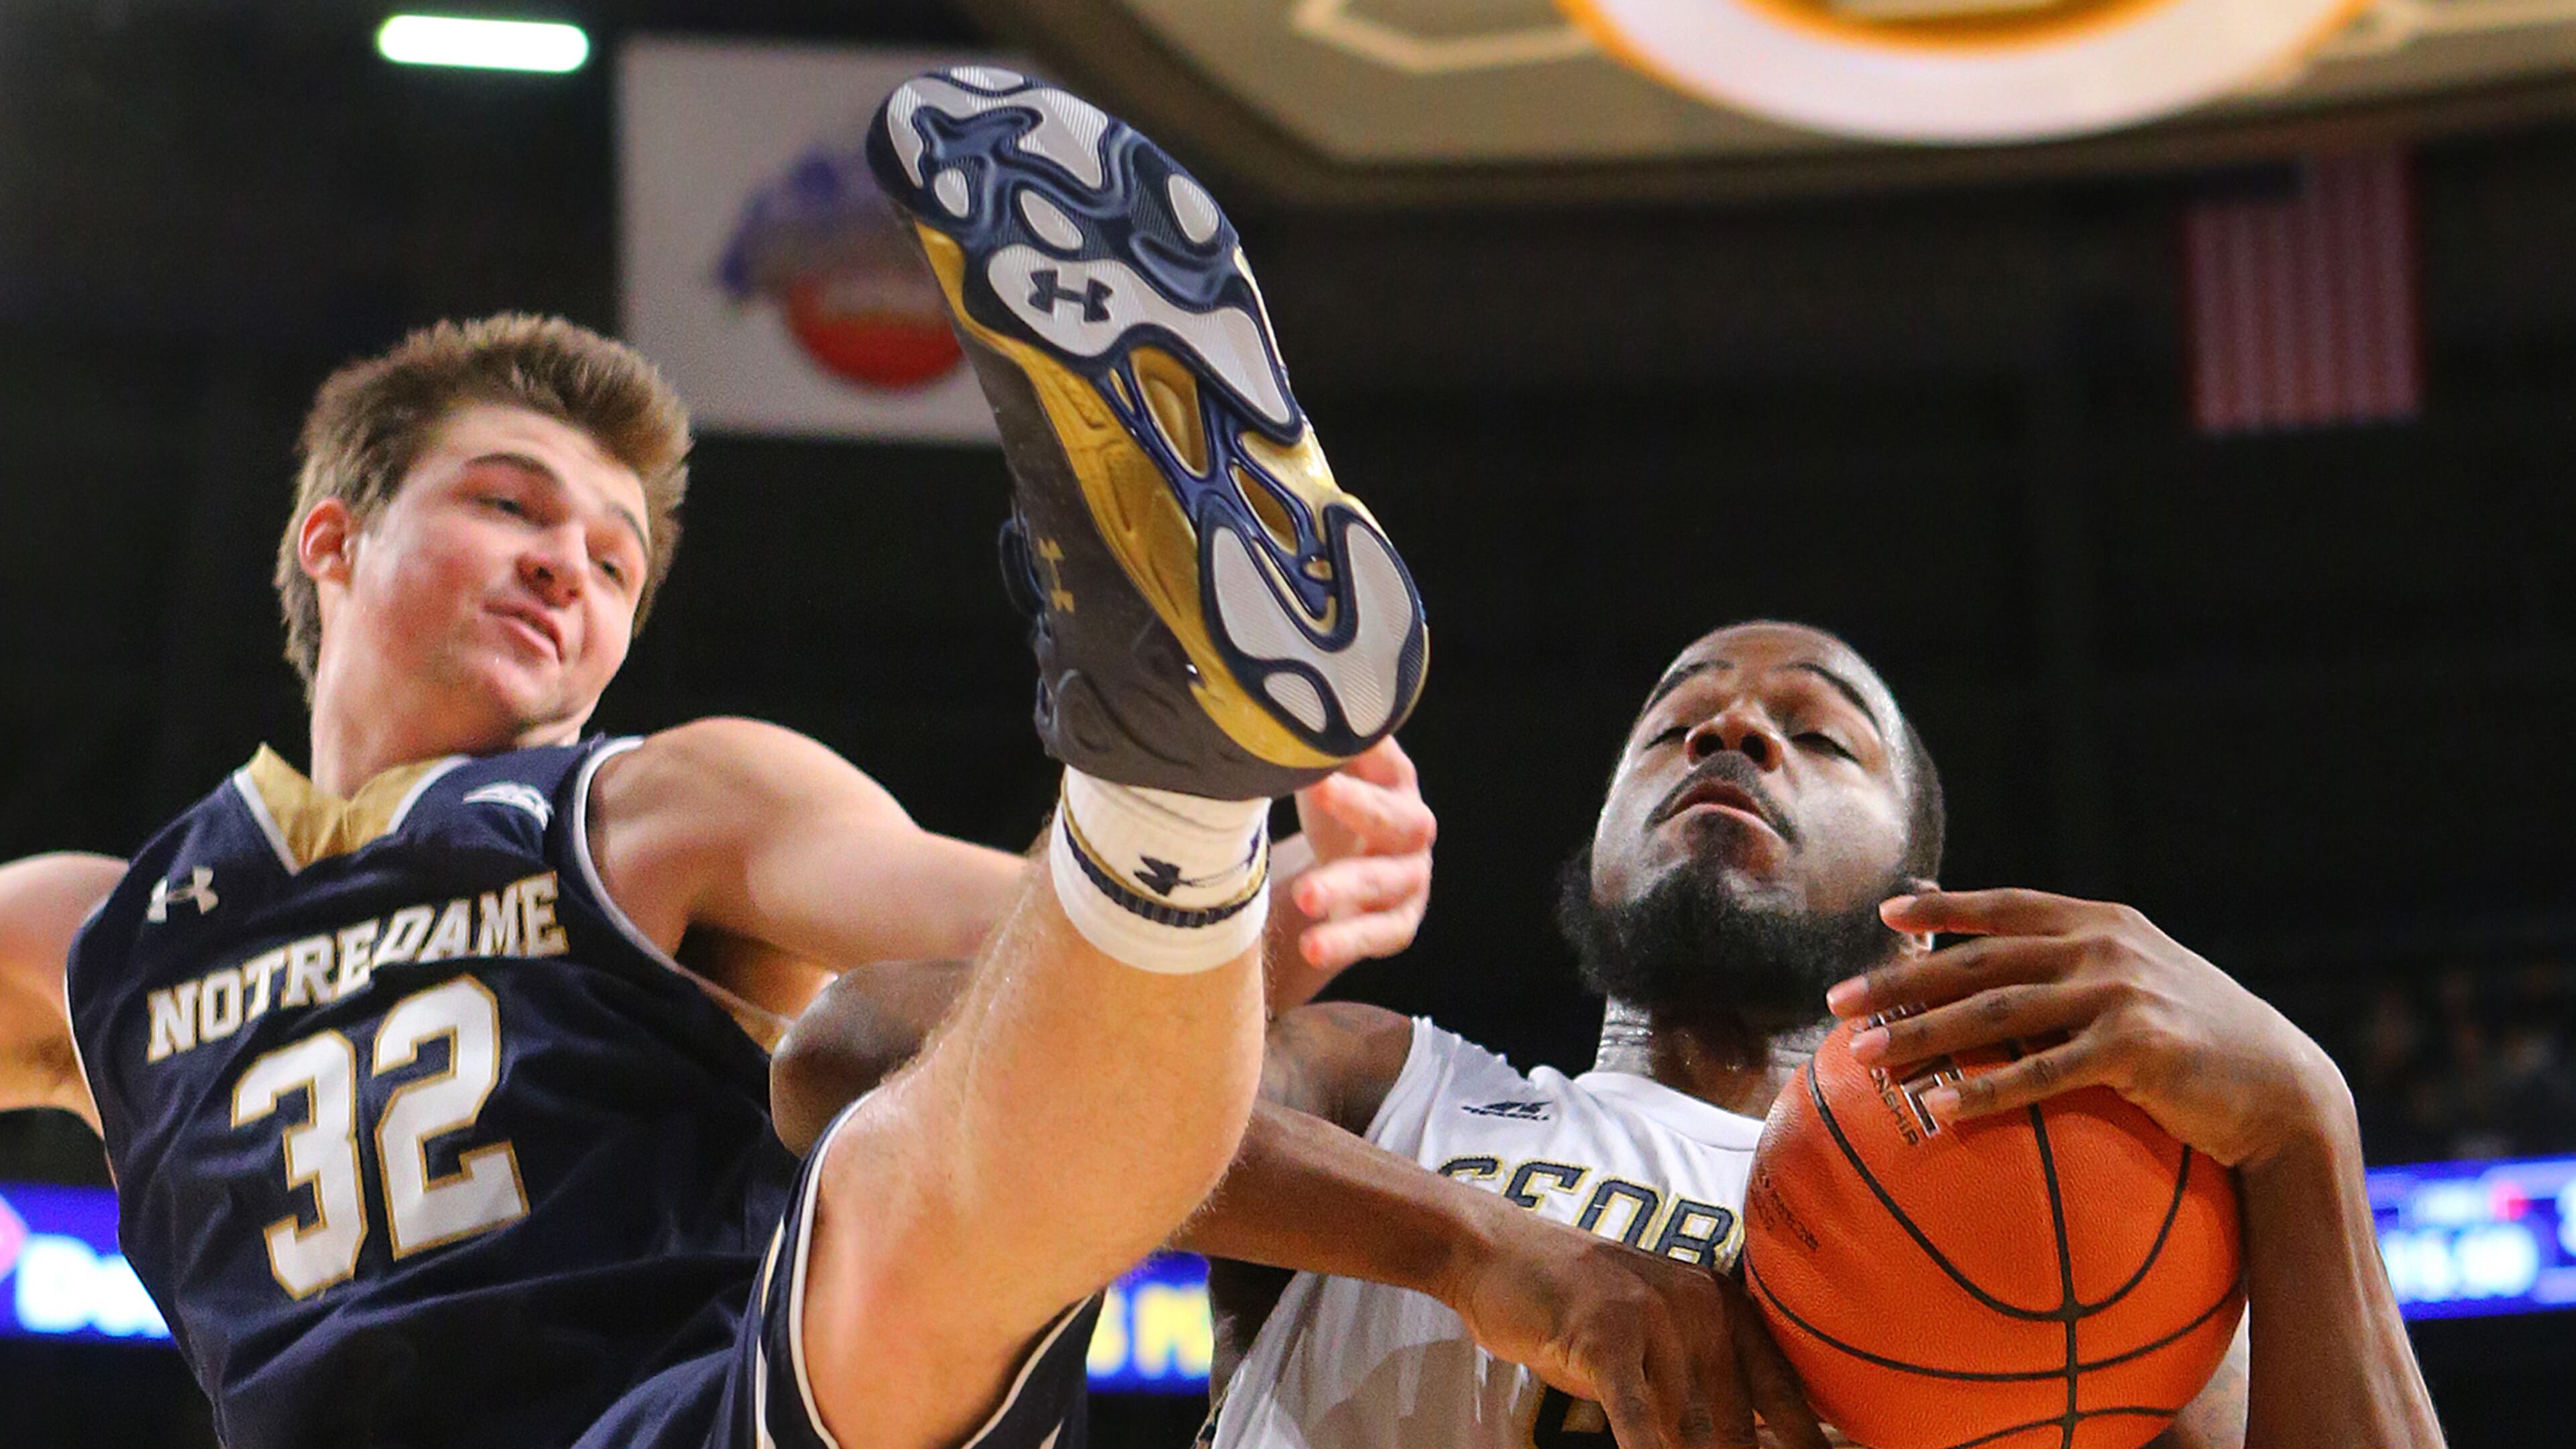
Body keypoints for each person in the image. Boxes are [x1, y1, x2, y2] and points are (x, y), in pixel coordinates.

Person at [0, 69, 1439, 1449]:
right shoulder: (98, 935)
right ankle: (1170, 795)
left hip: (709, 1421)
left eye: (615, 561)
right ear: (334, 542)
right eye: (512, 505)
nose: (568, 566)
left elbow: (1043, 983)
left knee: (892, 1151)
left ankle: (1162, 784)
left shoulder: (665, 807)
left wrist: (1299, 891)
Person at [772, 619, 2448, 1449]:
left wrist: (2304, 1130)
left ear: (1916, 886)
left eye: (1820, 735)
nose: (1734, 730)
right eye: (1680, 723)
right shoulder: (1391, 1087)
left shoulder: (2071, 1221)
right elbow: (850, 1056)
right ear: (1592, 857)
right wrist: (1472, 1247)